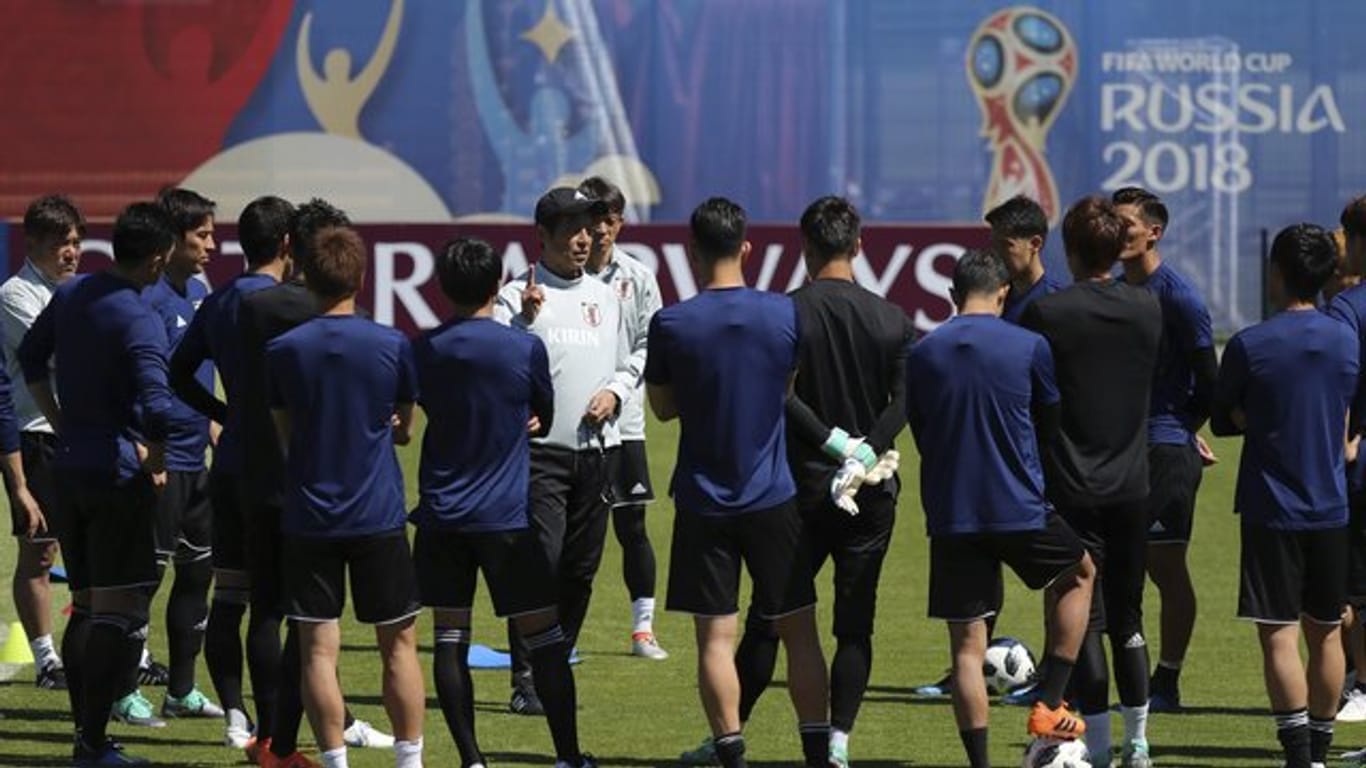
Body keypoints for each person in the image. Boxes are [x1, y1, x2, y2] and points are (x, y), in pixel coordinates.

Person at [684, 196, 910, 768]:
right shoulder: (892, 318)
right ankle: (836, 743)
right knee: (853, 626)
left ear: (803, 248)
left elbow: (780, 398)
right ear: (858, 245)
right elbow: (906, 399)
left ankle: (727, 739)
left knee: (770, 621)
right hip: (872, 490)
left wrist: (835, 445)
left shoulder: (785, 314)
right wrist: (864, 451)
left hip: (795, 489)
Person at [646, 197, 830, 768]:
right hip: (774, 495)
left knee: (716, 638)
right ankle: (817, 754)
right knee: (800, 631)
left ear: (691, 251)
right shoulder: (783, 315)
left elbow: (663, 408)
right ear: (746, 248)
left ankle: (730, 754)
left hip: (704, 499)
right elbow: (787, 388)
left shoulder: (671, 323)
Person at [412, 237, 596, 768]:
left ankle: (471, 760)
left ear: (443, 288)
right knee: (546, 640)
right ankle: (567, 758)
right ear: (499, 286)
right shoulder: (523, 347)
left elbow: (419, 403)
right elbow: (542, 408)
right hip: (507, 518)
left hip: (443, 516)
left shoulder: (425, 348)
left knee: (450, 638)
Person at [907, 249, 1095, 767]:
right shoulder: (1030, 345)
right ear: (1004, 292)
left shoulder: (924, 353)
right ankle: (1050, 702)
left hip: (953, 513)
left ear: (952, 294)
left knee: (967, 648)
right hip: (1019, 504)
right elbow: (1050, 422)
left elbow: (922, 431)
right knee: (1080, 574)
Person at [18, 201, 179, 766]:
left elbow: (30, 359)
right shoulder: (139, 318)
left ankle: (83, 737)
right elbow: (158, 407)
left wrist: (62, 422)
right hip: (114, 475)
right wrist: (156, 457)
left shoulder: (71, 293)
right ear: (160, 258)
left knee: (86, 607)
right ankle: (91, 742)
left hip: (70, 469)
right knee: (115, 612)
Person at [238, 199, 392, 767]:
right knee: (317, 631)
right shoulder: (344, 322)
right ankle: (286, 740)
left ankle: (269, 737)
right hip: (331, 489)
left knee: (271, 612)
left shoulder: (249, 308)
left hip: (258, 470)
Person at [267, 225, 425, 768]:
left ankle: (335, 760)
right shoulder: (392, 344)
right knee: (399, 644)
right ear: (362, 276)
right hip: (377, 511)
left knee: (316, 649)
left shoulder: (284, 351)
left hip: (311, 514)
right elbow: (405, 426)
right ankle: (411, 761)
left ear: (307, 276)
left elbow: (284, 430)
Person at [1020, 196, 1162, 768]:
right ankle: (1140, 744)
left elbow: (1033, 397)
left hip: (1071, 485)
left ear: (1071, 250)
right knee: (1129, 617)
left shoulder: (1050, 314)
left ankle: (1098, 746)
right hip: (1132, 483)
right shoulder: (1147, 308)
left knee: (1086, 618)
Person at [1212, 223, 1358, 768]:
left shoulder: (1251, 344)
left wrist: (1254, 417)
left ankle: (1297, 756)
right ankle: (1319, 752)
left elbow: (1223, 418)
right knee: (1325, 635)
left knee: (1278, 637)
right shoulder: (1346, 338)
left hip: (1271, 508)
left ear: (1276, 273)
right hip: (1331, 508)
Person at [494, 187, 636, 715]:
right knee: (540, 564)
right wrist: (525, 321)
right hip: (540, 455)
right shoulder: (515, 297)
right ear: (543, 236)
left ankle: (556, 663)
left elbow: (627, 362)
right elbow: (497, 364)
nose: (584, 238)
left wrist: (615, 393)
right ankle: (525, 678)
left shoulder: (606, 295)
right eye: (571, 229)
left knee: (580, 569)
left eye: (588, 227)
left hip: (599, 453)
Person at [170, 195, 293, 748]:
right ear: (288, 243)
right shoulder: (287, 304)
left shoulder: (218, 301)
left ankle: (235, 717)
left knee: (230, 596)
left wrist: (225, 414)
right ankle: (270, 732)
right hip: (278, 472)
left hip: (230, 466)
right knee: (271, 607)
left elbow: (178, 374)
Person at [113, 187, 224, 726]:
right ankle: (122, 690)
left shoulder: (199, 291)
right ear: (172, 240)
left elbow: (200, 368)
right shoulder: (145, 300)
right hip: (154, 462)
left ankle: (180, 690)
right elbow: (122, 379)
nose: (212, 243)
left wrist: (215, 420)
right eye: (201, 234)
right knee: (142, 583)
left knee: (198, 575)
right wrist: (136, 442)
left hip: (195, 461)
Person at [1112, 186, 1217, 713]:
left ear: (1154, 231)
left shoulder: (1179, 296)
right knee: (1114, 563)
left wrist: (1182, 427)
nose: (1117, 232)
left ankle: (1167, 679)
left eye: (1126, 223)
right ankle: (1122, 677)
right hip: (1118, 451)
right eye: (1112, 223)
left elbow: (1210, 381)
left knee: (1164, 565)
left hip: (1164, 450)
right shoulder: (1113, 290)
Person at [578, 175, 668, 661]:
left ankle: (642, 630)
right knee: (574, 530)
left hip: (625, 424)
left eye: (609, 220)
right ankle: (560, 631)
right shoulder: (561, 274)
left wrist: (617, 392)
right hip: (572, 425)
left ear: (621, 223)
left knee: (631, 526)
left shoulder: (639, 278)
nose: (601, 230)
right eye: (593, 221)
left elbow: (650, 343)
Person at [1, 194, 83, 690]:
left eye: (75, 241)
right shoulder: (16, 295)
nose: (71, 252)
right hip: (37, 437)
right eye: (60, 243)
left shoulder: (73, 292)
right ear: (33, 243)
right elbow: (54, 358)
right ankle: (46, 657)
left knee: (88, 547)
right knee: (40, 551)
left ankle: (119, 652)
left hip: (78, 434)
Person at [1329, 196, 1366, 724]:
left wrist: (1344, 445)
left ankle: (1359, 685)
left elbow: (1339, 388)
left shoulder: (1348, 309)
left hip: (1359, 469)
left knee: (1354, 590)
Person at [988, 195, 1061, 325]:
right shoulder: (990, 301)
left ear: (1035, 244)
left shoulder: (1057, 303)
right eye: (994, 245)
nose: (997, 254)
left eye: (1006, 245)